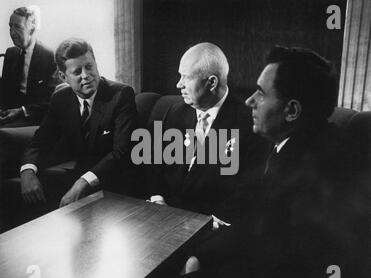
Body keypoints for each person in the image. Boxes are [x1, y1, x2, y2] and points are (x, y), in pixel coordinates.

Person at [155, 46, 370, 278]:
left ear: (291, 111)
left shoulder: (319, 171)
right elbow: (253, 226)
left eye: (261, 93)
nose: (249, 101)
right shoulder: (295, 146)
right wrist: (200, 255)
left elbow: (279, 273)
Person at [148, 42, 265, 226]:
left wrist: (211, 223)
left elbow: (248, 189)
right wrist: (158, 198)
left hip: (210, 227)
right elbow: (156, 164)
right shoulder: (175, 113)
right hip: (164, 216)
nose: (178, 84)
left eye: (186, 78)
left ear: (211, 82)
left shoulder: (249, 123)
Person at [19, 38, 137, 214]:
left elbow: (121, 152)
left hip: (115, 180)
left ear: (96, 64)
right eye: (77, 71)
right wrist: (27, 172)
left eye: (89, 66)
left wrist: (82, 182)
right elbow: (40, 141)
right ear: (63, 76)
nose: (86, 75)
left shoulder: (121, 95)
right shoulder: (61, 98)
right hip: (78, 175)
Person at [0, 6, 58, 127]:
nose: (12, 32)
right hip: (9, 115)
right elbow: (5, 91)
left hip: (34, 118)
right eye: (10, 26)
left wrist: (22, 111)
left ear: (32, 29)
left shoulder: (49, 56)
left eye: (18, 27)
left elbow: (52, 100)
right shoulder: (11, 53)